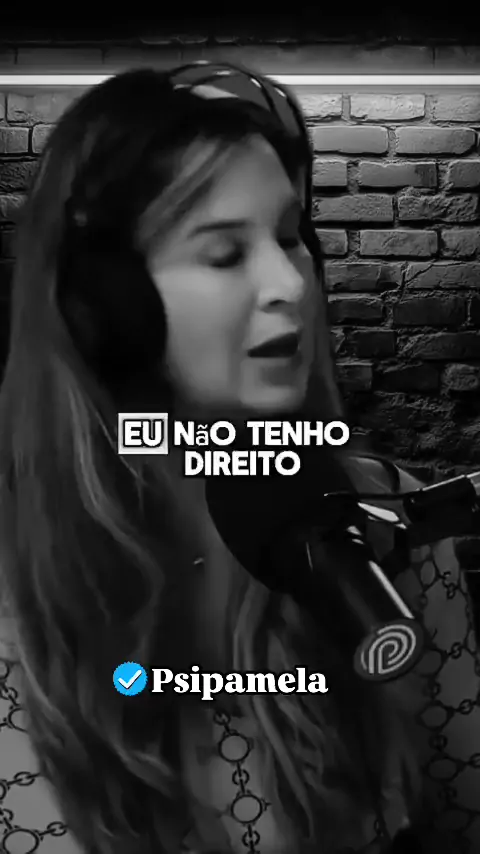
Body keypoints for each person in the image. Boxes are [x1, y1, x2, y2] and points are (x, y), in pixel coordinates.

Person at [0, 60, 478, 854]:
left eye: (291, 238)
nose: (289, 281)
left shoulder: (387, 522)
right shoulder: (17, 583)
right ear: (107, 309)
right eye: (224, 254)